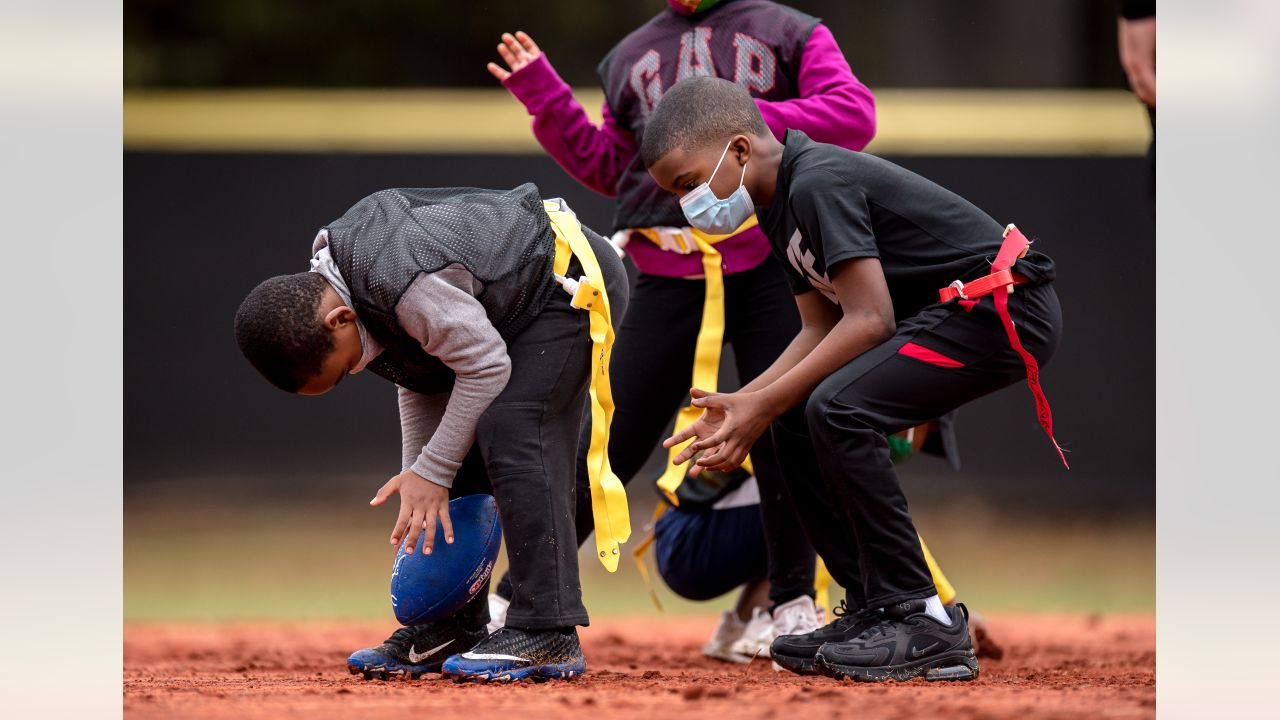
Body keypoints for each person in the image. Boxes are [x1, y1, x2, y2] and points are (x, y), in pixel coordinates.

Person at [485, 0, 912, 659]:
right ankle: (520, 595)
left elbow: (855, 114)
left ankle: (792, 604)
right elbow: (616, 168)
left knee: (784, 425)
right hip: (667, 265)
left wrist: (734, 122)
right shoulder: (630, 54)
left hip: (770, 255)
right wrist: (549, 100)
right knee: (608, 436)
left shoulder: (788, 29)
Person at [641, 76, 1064, 682]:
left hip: (1003, 311)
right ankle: (874, 606)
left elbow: (870, 320)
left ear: (738, 150)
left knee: (837, 409)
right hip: (960, 315)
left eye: (689, 183)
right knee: (792, 416)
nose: (688, 202)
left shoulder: (816, 181)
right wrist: (751, 401)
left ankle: (922, 620)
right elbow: (818, 327)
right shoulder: (776, 208)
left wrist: (762, 404)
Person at [233, 186, 629, 682]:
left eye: (343, 368)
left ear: (339, 321)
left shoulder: (397, 280)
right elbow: (421, 377)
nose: (356, 370)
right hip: (508, 309)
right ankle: (454, 626)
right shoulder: (351, 295)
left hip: (565, 280)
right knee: (454, 440)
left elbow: (484, 366)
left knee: (514, 426)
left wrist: (432, 470)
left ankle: (547, 628)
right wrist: (420, 473)